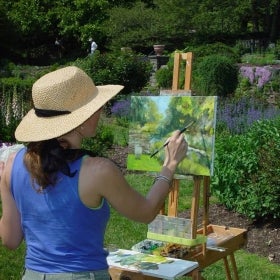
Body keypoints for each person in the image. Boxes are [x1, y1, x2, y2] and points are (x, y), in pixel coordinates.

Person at [0, 66, 188, 279]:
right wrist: (170, 164)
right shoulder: (98, 171)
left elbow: (10, 239)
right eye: (95, 106)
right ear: (80, 120)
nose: (100, 111)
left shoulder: (12, 164)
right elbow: (145, 212)